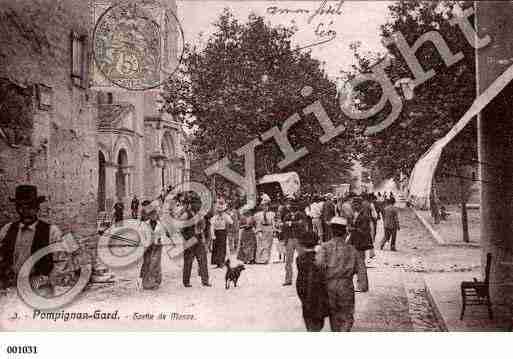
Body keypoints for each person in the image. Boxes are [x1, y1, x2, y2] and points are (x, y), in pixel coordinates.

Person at [0, 185, 62, 295]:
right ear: (16, 208)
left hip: (39, 290)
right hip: (11, 289)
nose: (25, 211)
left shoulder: (52, 231)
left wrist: (46, 280)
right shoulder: (7, 230)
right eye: (20, 207)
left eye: (30, 207)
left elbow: (61, 263)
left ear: (37, 208)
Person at [316, 216, 368, 331]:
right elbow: (361, 268)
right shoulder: (352, 249)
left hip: (329, 285)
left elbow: (318, 265)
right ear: (345, 232)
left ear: (331, 231)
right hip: (346, 285)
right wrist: (362, 285)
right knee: (346, 315)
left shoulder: (324, 248)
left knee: (334, 316)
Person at [296, 231, 329, 331]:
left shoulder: (299, 259)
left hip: (304, 293)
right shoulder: (319, 258)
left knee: (308, 320)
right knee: (317, 323)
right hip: (319, 294)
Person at [139, 201, 170, 290]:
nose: (153, 216)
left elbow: (163, 232)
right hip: (147, 246)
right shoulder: (145, 224)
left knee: (155, 263)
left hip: (157, 245)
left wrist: (162, 237)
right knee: (147, 262)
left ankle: (156, 281)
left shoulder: (160, 224)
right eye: (151, 215)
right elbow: (141, 233)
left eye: (155, 215)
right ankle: (146, 283)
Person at [181, 200, 210, 288]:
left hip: (199, 239)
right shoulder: (186, 215)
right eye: (194, 204)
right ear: (191, 205)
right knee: (188, 261)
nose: (197, 206)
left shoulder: (200, 215)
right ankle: (186, 282)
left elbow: (204, 227)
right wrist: (186, 238)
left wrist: (204, 239)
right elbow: (181, 228)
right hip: (190, 240)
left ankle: (205, 281)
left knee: (203, 260)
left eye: (198, 204)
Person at [282, 197, 307, 286]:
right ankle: (289, 279)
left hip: (297, 239)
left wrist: (291, 223)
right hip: (291, 238)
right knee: (289, 261)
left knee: (301, 259)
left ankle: (302, 279)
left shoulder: (300, 214)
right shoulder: (288, 215)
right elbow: (284, 226)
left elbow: (302, 225)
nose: (289, 205)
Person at [347, 197, 371, 290]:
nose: (352, 206)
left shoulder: (363, 216)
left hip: (360, 243)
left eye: (354, 204)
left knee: (360, 265)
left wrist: (353, 229)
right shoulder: (357, 214)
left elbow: (364, 231)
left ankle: (362, 286)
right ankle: (360, 284)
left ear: (358, 205)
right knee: (358, 264)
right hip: (357, 242)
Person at [210, 200, 233, 268]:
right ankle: (217, 262)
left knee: (222, 248)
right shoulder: (215, 217)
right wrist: (213, 235)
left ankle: (221, 262)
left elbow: (231, 222)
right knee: (216, 248)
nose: (220, 212)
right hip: (216, 232)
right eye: (219, 211)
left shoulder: (225, 216)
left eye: (221, 211)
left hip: (223, 232)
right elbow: (212, 226)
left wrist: (228, 217)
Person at [254, 193, 275, 264]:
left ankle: (266, 259)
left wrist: (274, 230)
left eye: (266, 206)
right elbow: (258, 223)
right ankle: (259, 259)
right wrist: (258, 231)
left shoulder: (271, 214)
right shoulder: (258, 214)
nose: (265, 207)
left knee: (268, 245)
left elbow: (273, 223)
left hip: (269, 229)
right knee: (260, 244)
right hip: (262, 229)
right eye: (263, 206)